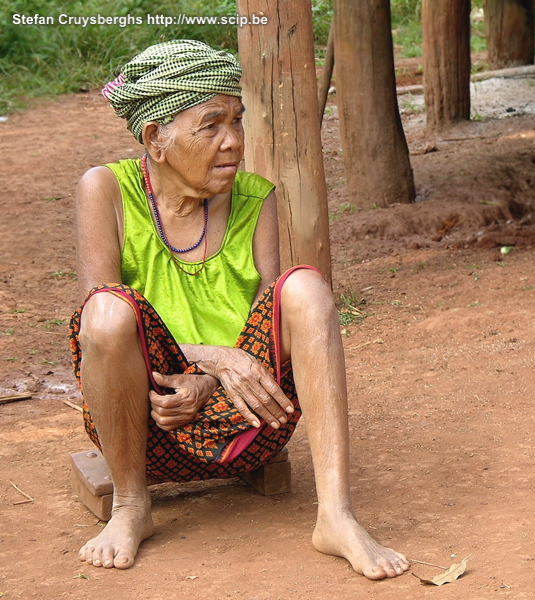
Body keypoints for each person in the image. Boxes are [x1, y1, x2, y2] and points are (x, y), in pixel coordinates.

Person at [69, 39, 409, 580]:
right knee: (108, 312)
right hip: (150, 421)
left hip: (248, 422)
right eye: (211, 125)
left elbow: (266, 323)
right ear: (156, 138)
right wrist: (211, 360)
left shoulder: (256, 197)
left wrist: (214, 375)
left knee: (306, 289)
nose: (233, 142)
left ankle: (336, 515)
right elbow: (96, 319)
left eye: (237, 120)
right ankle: (132, 507)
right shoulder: (105, 190)